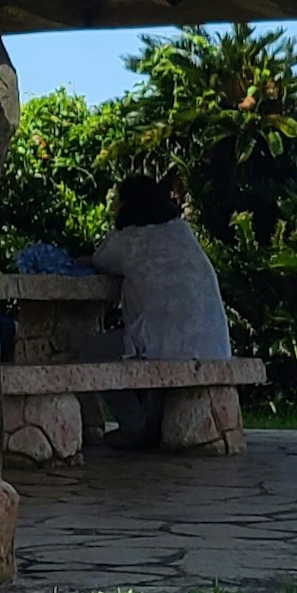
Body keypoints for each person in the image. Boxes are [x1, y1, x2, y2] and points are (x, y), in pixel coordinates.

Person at [88, 171, 232, 450]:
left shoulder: (130, 240)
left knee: (94, 352)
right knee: (148, 341)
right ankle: (150, 425)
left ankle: (135, 426)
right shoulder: (181, 232)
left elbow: (100, 259)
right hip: (213, 346)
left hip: (167, 346)